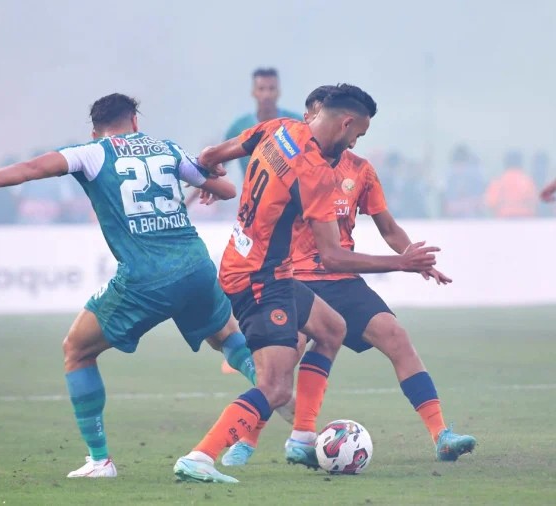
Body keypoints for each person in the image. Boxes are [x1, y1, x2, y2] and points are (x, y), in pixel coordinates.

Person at [0, 93, 259, 479]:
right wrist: (208, 182)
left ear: (95, 130)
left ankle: (100, 461)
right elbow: (227, 190)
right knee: (229, 337)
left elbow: (33, 169)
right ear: (134, 121)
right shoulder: (166, 148)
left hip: (145, 278)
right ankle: (285, 400)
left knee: (77, 350)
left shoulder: (92, 152)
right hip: (196, 266)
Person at [174, 84, 440, 484]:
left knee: (331, 328)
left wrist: (207, 175)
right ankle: (201, 456)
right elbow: (332, 257)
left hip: (250, 264)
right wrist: (401, 263)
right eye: (358, 133)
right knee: (276, 387)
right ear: (346, 123)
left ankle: (301, 438)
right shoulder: (314, 173)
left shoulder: (277, 128)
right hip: (260, 278)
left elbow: (211, 155)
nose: (355, 142)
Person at [220, 85, 477, 468]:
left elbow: (388, 227)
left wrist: (414, 256)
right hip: (293, 276)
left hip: (341, 279)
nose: (309, 123)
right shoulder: (299, 164)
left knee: (396, 337)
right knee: (281, 365)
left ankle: (441, 435)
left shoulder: (360, 170)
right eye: (308, 115)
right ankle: (248, 441)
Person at [224, 68, 301, 177]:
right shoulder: (239, 127)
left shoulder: (296, 123)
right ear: (253, 92)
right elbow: (218, 164)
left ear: (278, 92)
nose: (266, 95)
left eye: (271, 89)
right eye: (261, 89)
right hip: (250, 187)